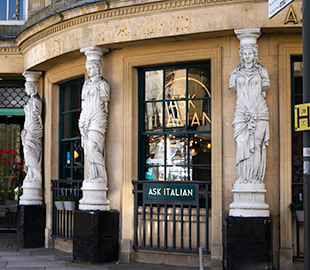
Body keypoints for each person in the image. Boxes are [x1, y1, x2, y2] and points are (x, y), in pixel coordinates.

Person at [229, 43, 270, 184]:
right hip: (241, 110)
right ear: (241, 54)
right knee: (241, 143)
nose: (247, 56)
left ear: (255, 54)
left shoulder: (262, 71)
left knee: (257, 146)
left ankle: (255, 179)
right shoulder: (234, 73)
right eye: (245, 54)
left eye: (250, 53)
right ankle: (243, 178)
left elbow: (266, 86)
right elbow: (233, 87)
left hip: (259, 109)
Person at [78, 59, 110, 182]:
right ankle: (92, 176)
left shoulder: (103, 84)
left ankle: (101, 176)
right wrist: (82, 119)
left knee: (93, 147)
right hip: (86, 117)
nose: (88, 71)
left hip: (98, 117)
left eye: (90, 68)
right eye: (88, 68)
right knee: (87, 148)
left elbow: (105, 104)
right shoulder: (86, 84)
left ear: (97, 68)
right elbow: (83, 103)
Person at [21, 81, 43, 182]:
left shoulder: (36, 100)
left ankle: (37, 176)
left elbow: (37, 114)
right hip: (28, 127)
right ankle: (31, 174)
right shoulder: (30, 101)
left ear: (34, 88)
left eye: (29, 88)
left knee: (31, 151)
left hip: (33, 128)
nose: (27, 90)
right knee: (27, 152)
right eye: (26, 88)